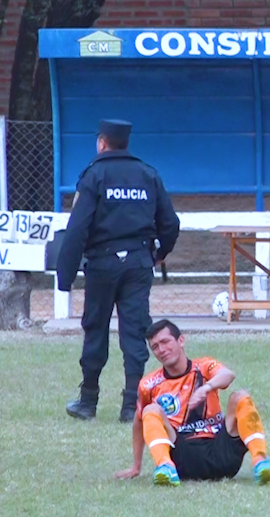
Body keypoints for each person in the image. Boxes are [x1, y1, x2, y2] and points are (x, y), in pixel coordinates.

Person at [56, 119, 181, 423]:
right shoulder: (148, 174)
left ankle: (88, 401)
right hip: (138, 262)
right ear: (125, 142)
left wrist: (65, 274)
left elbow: (77, 230)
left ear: (102, 143)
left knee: (96, 330)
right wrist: (159, 253)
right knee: (136, 333)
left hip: (102, 264)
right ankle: (132, 405)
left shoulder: (93, 176)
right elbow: (171, 224)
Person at [114, 320, 270, 486]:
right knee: (150, 409)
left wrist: (206, 388)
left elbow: (228, 375)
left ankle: (260, 460)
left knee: (241, 396)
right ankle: (165, 466)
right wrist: (136, 466)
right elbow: (139, 421)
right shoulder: (149, 384)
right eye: (155, 347)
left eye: (165, 342)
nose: (161, 350)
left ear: (181, 340)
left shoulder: (204, 367)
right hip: (181, 459)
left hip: (221, 453)